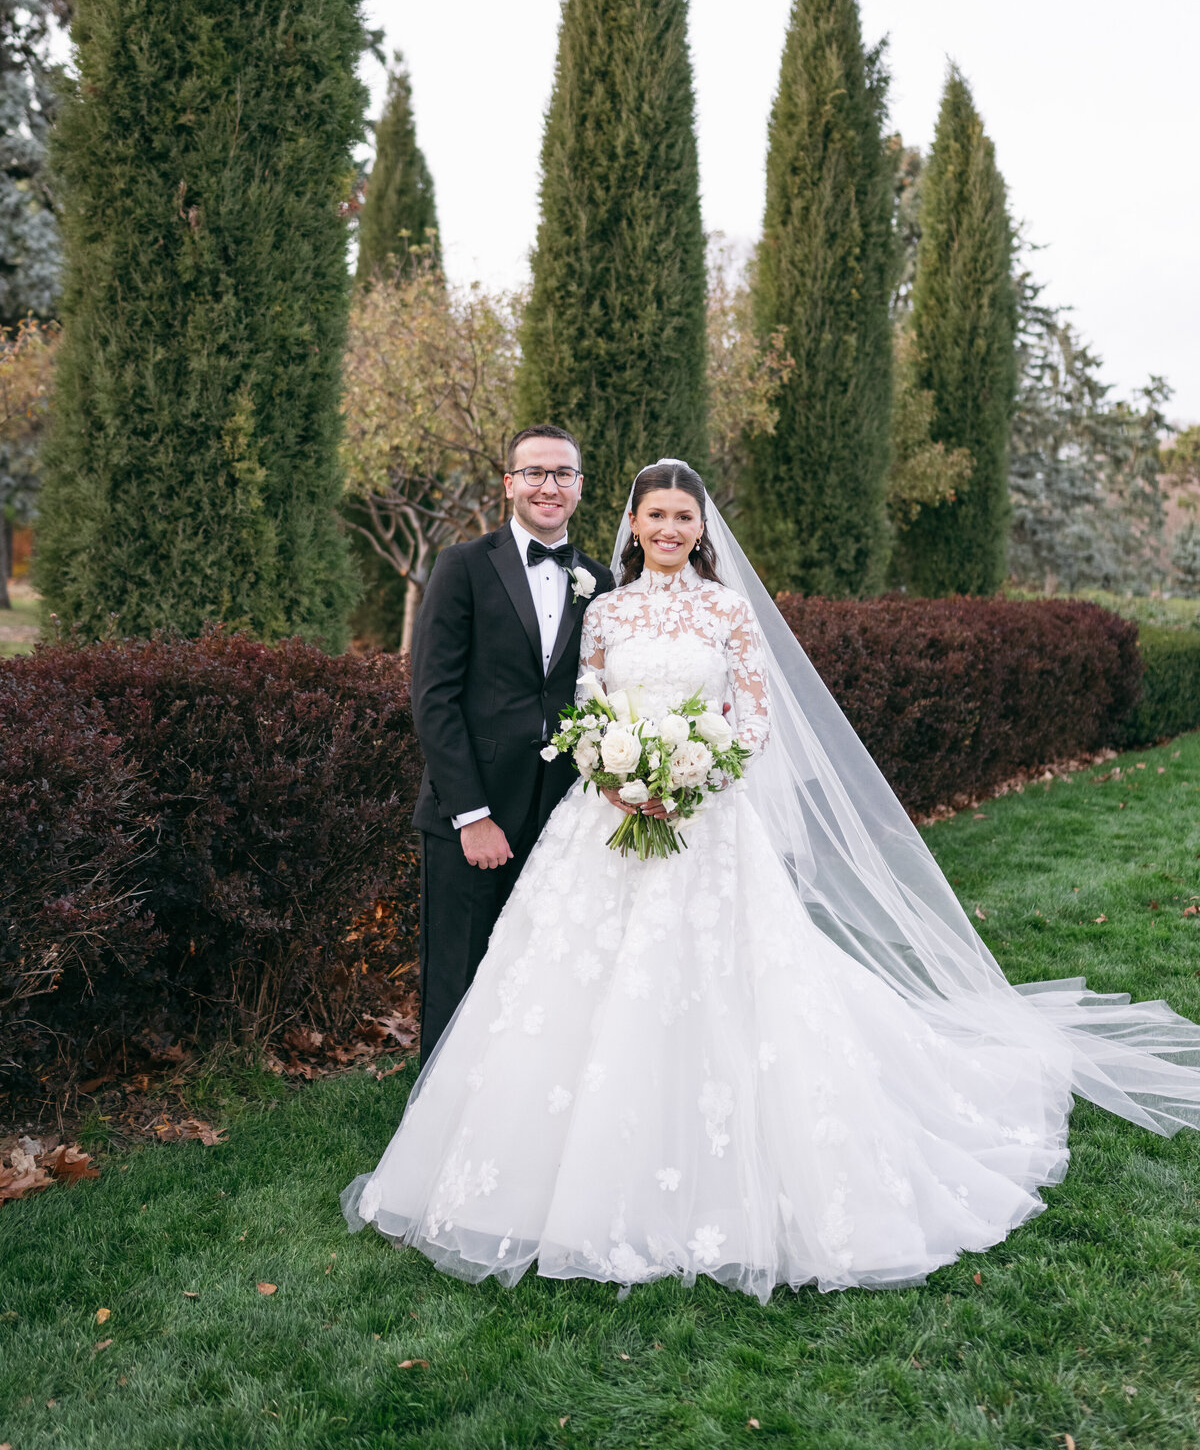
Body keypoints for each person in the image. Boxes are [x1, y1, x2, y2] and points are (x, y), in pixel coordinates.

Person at [345, 461, 1200, 1298]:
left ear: (702, 528)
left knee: (725, 990)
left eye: (686, 517)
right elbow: (584, 710)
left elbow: (752, 724)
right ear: (633, 526)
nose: (671, 530)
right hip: (603, 825)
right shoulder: (601, 608)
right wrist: (615, 777)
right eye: (656, 517)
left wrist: (690, 781)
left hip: (706, 829)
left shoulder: (727, 613)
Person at [409, 425, 614, 1059]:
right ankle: (433, 1126)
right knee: (459, 974)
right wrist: (471, 816)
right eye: (535, 473)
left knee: (541, 973)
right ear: (509, 484)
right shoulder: (463, 566)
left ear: (579, 489)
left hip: (562, 819)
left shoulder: (601, 584)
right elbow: (433, 697)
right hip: (474, 813)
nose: (549, 486)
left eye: (563, 475)